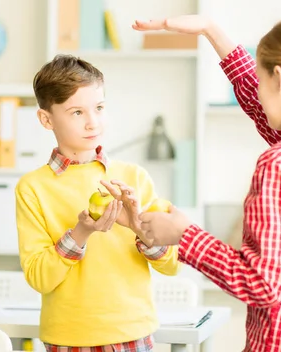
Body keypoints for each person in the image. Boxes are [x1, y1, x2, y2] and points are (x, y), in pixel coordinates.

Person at [133, 14, 281, 352]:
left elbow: (261, 283)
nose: (256, 89)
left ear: (280, 79)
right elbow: (264, 111)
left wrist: (184, 235)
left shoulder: (279, 165)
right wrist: (212, 31)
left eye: (259, 79)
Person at [14, 54, 180, 351]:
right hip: (68, 339)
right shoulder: (33, 188)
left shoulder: (134, 177)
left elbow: (172, 264)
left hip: (133, 333)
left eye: (99, 108)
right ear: (46, 119)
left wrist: (140, 226)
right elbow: (39, 278)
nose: (93, 122)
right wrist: (80, 234)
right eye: (77, 112)